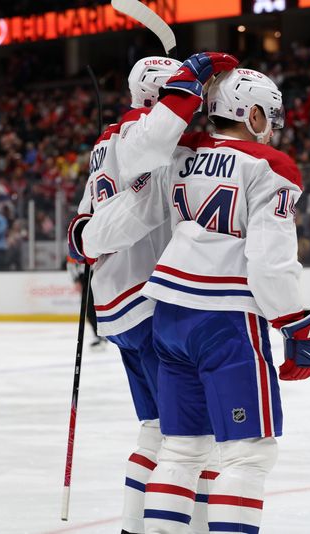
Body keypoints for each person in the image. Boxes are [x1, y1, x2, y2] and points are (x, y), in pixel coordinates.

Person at [72, 67, 310, 534]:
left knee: (181, 449)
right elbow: (270, 265)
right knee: (248, 454)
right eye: (269, 116)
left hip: (167, 312)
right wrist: (297, 321)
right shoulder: (270, 166)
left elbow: (135, 210)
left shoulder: (181, 155)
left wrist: (86, 235)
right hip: (225, 319)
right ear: (251, 114)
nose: (273, 125)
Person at [67, 53, 239, 534]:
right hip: (149, 302)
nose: (195, 107)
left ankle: (132, 527)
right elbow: (132, 212)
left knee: (156, 430)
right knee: (192, 438)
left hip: (116, 305)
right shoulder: (148, 139)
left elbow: (82, 226)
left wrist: (84, 240)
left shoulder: (107, 144)